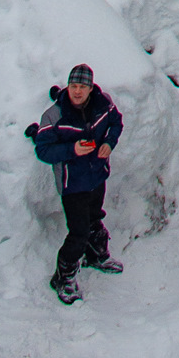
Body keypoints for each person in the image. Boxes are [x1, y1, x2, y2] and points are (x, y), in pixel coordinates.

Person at [27, 63, 124, 304]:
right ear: (67, 86)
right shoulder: (54, 115)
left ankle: (95, 255)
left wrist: (109, 143)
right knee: (78, 231)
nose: (77, 91)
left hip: (97, 175)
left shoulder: (103, 104)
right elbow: (43, 150)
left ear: (91, 88)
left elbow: (116, 123)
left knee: (95, 216)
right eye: (73, 86)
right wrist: (73, 149)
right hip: (73, 184)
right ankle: (63, 277)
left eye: (82, 87)